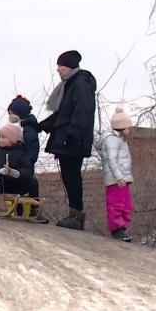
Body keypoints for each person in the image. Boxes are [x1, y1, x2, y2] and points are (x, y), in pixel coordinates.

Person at [39, 50, 96, 230]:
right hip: (67, 139)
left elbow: (82, 112)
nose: (57, 70)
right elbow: (61, 115)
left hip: (73, 141)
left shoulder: (80, 84)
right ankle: (74, 214)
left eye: (60, 66)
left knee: (72, 176)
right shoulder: (70, 85)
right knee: (68, 175)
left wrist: (72, 135)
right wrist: (40, 125)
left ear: (69, 66)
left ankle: (76, 215)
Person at [0, 122, 43, 220]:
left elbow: (28, 169)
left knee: (33, 181)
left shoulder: (22, 152)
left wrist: (17, 173)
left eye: (3, 137)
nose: (0, 140)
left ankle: (34, 209)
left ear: (12, 139)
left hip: (18, 183)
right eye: (0, 137)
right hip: (2, 184)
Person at [97, 106, 135, 242]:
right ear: (122, 126)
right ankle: (116, 229)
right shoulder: (112, 139)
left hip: (123, 178)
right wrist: (119, 177)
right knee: (116, 203)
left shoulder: (120, 139)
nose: (129, 129)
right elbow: (112, 160)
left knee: (126, 204)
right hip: (116, 179)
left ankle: (122, 227)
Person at [7, 95, 41, 165]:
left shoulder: (28, 129)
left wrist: (26, 163)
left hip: (23, 168)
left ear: (20, 113)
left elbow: (32, 150)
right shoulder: (14, 128)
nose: (10, 116)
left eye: (12, 113)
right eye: (9, 114)